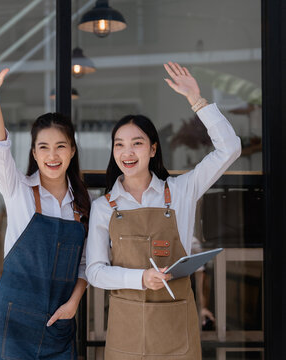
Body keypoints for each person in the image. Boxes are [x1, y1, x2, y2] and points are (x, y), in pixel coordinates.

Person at [85, 62, 241, 359]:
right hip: (126, 330)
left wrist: (197, 101)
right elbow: (94, 272)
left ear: (153, 149)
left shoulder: (182, 191)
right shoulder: (104, 207)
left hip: (175, 330)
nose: (127, 152)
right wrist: (141, 279)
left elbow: (230, 148)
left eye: (137, 143)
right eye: (119, 145)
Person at [0, 57, 90, 360]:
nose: (52, 155)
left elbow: (86, 265)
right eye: (43, 147)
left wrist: (74, 303)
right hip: (9, 323)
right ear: (34, 153)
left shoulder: (83, 205)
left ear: (72, 151)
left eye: (61, 146)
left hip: (58, 325)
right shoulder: (17, 189)